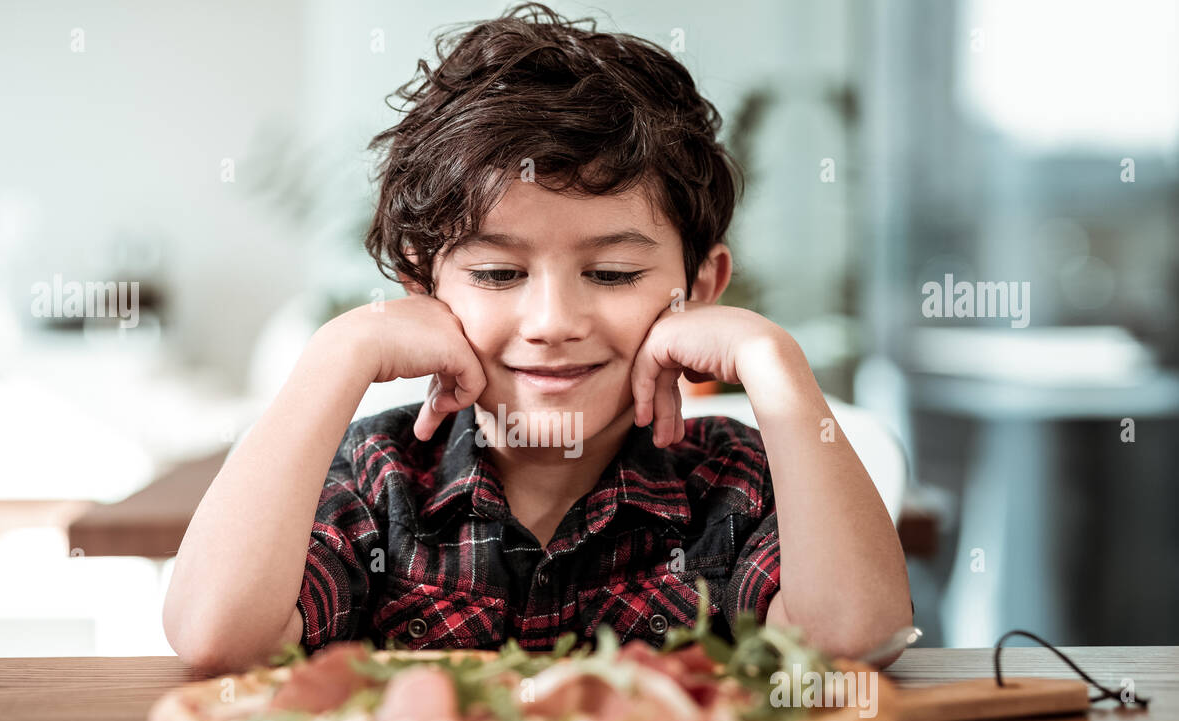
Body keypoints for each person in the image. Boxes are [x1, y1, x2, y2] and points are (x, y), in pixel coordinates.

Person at [163, 2, 913, 675]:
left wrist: (771, 360)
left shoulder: (737, 485)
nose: (553, 323)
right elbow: (216, 638)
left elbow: (851, 640)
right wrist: (337, 355)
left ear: (703, 288)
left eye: (613, 273)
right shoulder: (374, 479)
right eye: (496, 273)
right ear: (423, 288)